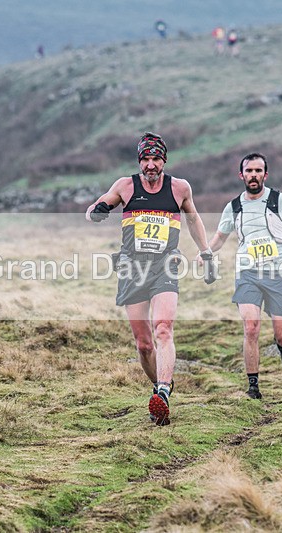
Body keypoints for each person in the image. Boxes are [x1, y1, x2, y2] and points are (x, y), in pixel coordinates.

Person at [86, 132, 216, 426]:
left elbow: (194, 220)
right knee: (144, 345)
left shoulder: (180, 188)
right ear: (139, 161)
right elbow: (93, 210)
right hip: (132, 268)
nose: (150, 165)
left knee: (163, 329)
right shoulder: (125, 186)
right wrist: (99, 211)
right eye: (145, 159)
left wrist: (206, 253)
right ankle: (158, 388)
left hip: (164, 266)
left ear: (164, 161)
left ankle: (163, 391)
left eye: (156, 159)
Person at [203, 153, 282, 400]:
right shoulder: (234, 207)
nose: (254, 175)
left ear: (265, 174)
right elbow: (220, 237)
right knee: (251, 327)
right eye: (249, 171)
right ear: (241, 175)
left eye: (258, 170)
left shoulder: (279, 200)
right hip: (247, 273)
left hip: (278, 273)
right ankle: (253, 387)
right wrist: (206, 252)